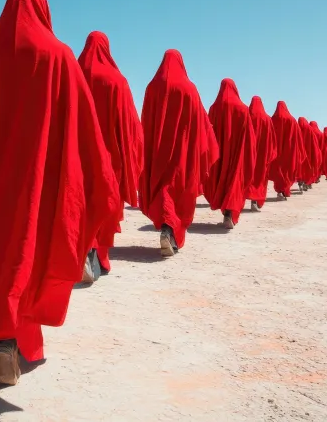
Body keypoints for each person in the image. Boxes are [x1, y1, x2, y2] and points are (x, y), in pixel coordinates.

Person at [0, 0, 119, 386]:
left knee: (1, 259)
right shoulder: (60, 56)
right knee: (32, 255)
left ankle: (5, 340)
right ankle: (14, 339)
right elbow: (83, 130)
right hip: (41, 184)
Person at [77, 31, 143, 280]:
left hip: (76, 157)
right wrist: (132, 159)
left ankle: (86, 251)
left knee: (80, 206)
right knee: (105, 205)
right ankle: (96, 255)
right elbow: (129, 127)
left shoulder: (72, 72)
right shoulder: (116, 80)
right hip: (109, 159)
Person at [139, 50, 218, 256]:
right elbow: (200, 124)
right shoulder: (189, 89)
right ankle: (170, 230)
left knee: (161, 188)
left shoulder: (152, 87)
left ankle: (167, 227)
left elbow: (145, 121)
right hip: (183, 155)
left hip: (158, 153)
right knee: (178, 190)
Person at [204, 79, 254, 229]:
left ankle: (226, 210)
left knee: (220, 178)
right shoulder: (243, 109)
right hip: (237, 153)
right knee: (234, 179)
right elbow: (249, 136)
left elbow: (208, 133)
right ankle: (229, 212)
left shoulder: (213, 109)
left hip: (219, 155)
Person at [245, 96, 277, 212]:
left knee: (246, 175)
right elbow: (272, 139)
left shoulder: (246, 115)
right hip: (262, 155)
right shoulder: (267, 119)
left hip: (248, 154)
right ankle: (255, 200)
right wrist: (270, 153)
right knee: (259, 176)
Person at [268, 101, 305, 200]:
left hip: (276, 152)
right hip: (289, 152)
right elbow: (298, 138)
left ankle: (280, 190)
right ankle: (284, 190)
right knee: (287, 171)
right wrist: (300, 151)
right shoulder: (292, 120)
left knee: (278, 171)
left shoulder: (273, 119)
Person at [297, 116, 320, 192]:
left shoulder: (297, 128)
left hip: (299, 154)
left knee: (300, 169)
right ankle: (306, 183)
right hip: (309, 154)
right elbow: (314, 144)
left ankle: (300, 183)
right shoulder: (310, 130)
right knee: (307, 169)